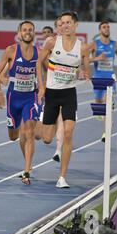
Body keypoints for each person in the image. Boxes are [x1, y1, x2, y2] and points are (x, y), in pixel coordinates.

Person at [36, 11, 91, 188]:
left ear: (76, 25)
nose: (66, 25)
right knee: (46, 138)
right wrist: (42, 86)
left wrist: (84, 72)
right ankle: (35, 124)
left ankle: (62, 177)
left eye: (69, 22)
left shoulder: (82, 47)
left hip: (69, 95)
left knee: (68, 134)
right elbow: (38, 63)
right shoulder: (52, 42)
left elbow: (85, 68)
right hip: (52, 94)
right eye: (63, 23)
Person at [0, 21, 40, 185]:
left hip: (30, 98)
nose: (28, 32)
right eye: (25, 30)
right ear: (19, 33)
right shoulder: (11, 51)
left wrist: (42, 90)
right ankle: (21, 136)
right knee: (13, 136)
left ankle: (26, 171)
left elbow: (47, 71)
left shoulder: (38, 53)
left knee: (29, 132)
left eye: (30, 30)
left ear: (34, 33)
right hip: (14, 99)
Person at [89, 20, 117, 142]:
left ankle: (106, 132)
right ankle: (101, 113)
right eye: (104, 27)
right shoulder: (94, 44)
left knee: (108, 106)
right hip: (98, 78)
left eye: (108, 27)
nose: (107, 29)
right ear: (100, 30)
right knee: (98, 103)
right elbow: (86, 59)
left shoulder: (115, 44)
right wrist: (97, 58)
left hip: (110, 78)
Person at [35, 19, 65, 163]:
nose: (63, 27)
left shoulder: (73, 44)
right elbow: (42, 64)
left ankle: (58, 151)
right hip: (49, 87)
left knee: (63, 120)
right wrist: (41, 86)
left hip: (65, 89)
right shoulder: (50, 44)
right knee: (42, 137)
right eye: (60, 25)